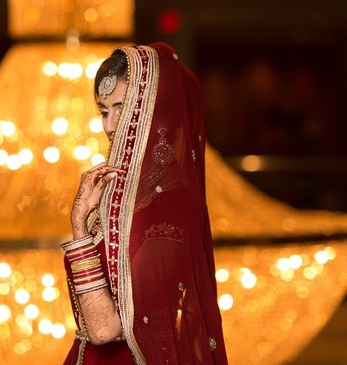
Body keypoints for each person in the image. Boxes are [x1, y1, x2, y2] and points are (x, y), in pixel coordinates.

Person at [61, 42, 229, 364]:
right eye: (103, 111)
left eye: (121, 109)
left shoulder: (168, 205)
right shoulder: (123, 193)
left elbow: (103, 329)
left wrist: (79, 226)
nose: (109, 126)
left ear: (155, 109)